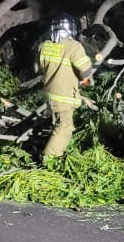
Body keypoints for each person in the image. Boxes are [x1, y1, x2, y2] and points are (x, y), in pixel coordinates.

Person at [38, 12, 94, 161]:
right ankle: (49, 161)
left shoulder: (44, 46)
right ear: (71, 29)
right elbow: (85, 70)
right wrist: (84, 76)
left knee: (56, 124)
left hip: (50, 95)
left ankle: (51, 151)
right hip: (64, 96)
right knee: (65, 127)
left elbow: (41, 68)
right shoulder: (73, 46)